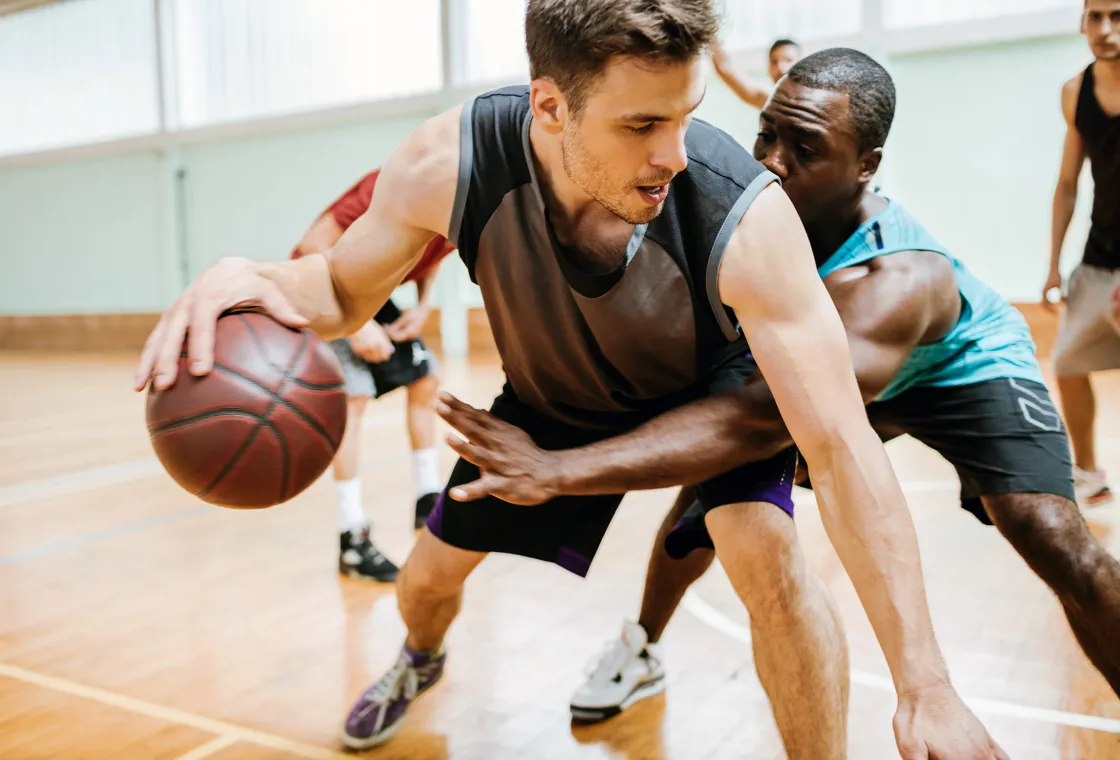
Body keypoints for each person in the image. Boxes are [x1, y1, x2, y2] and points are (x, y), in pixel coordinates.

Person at [134, 3, 1005, 757]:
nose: (676, 152)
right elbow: (336, 288)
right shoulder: (452, 162)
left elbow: (842, 443)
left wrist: (924, 682)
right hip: (551, 402)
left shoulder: (745, 213)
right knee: (425, 583)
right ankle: (419, 657)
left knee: (769, 560)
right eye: (640, 126)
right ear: (550, 106)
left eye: (687, 115)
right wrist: (246, 273)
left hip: (701, 393)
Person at [435, 47, 1120, 721]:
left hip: (960, 369)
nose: (771, 161)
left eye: (806, 149)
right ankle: (640, 645)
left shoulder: (895, 281)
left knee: (1050, 533)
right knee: (713, 499)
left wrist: (558, 470)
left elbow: (757, 419)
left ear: (867, 167)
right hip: (835, 372)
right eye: (767, 133)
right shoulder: (737, 213)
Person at [290, 170, 454, 582]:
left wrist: (424, 304)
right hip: (320, 286)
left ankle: (427, 498)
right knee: (353, 400)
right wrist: (356, 326)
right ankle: (352, 538)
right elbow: (314, 245)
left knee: (425, 381)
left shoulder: (469, 203)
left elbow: (432, 253)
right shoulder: (395, 182)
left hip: (368, 291)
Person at [1045, 0, 1120, 508]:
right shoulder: (1076, 91)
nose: (1105, 28)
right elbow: (1069, 182)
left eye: (1116, 15)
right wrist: (1053, 264)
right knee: (1068, 362)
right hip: (1098, 257)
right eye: (1095, 17)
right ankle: (1089, 473)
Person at [711, 38, 800, 110]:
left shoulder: (811, 100)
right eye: (774, 62)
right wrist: (708, 28)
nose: (780, 67)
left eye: (788, 60)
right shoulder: (770, 100)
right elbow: (724, 68)